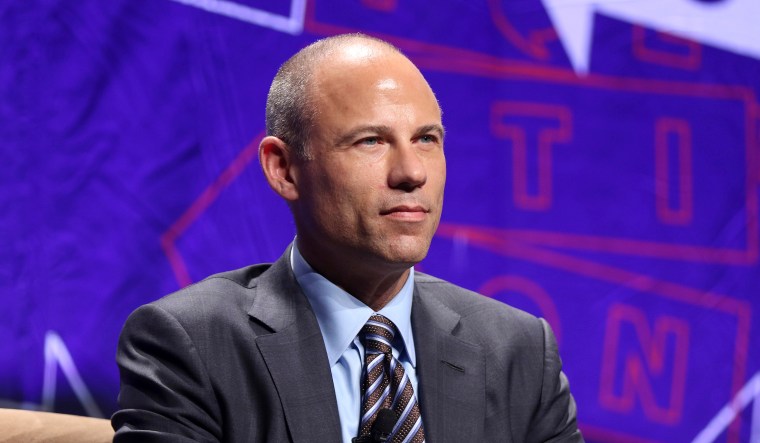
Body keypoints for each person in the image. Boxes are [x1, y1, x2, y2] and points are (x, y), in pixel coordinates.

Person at [112, 33, 583, 443]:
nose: (411, 173)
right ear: (284, 168)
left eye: (426, 139)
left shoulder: (519, 350)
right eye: (370, 141)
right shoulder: (190, 343)